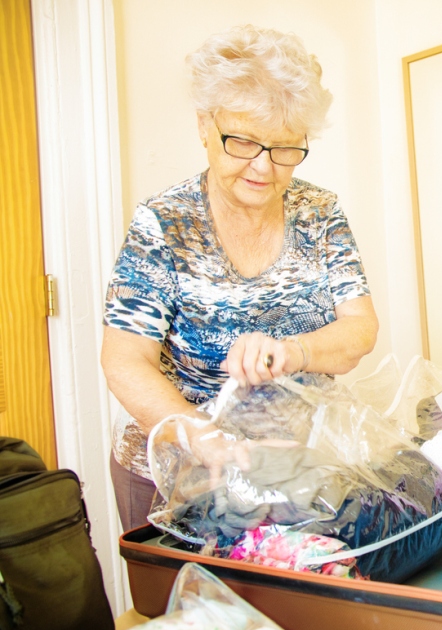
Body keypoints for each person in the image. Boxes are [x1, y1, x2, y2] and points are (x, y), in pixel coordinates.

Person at [101, 25, 378, 532]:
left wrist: (293, 351)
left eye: (285, 148)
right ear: (205, 125)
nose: (263, 167)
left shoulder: (319, 212)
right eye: (244, 142)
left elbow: (359, 330)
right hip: (176, 471)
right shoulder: (164, 223)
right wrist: (205, 437)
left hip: (295, 464)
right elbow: (124, 358)